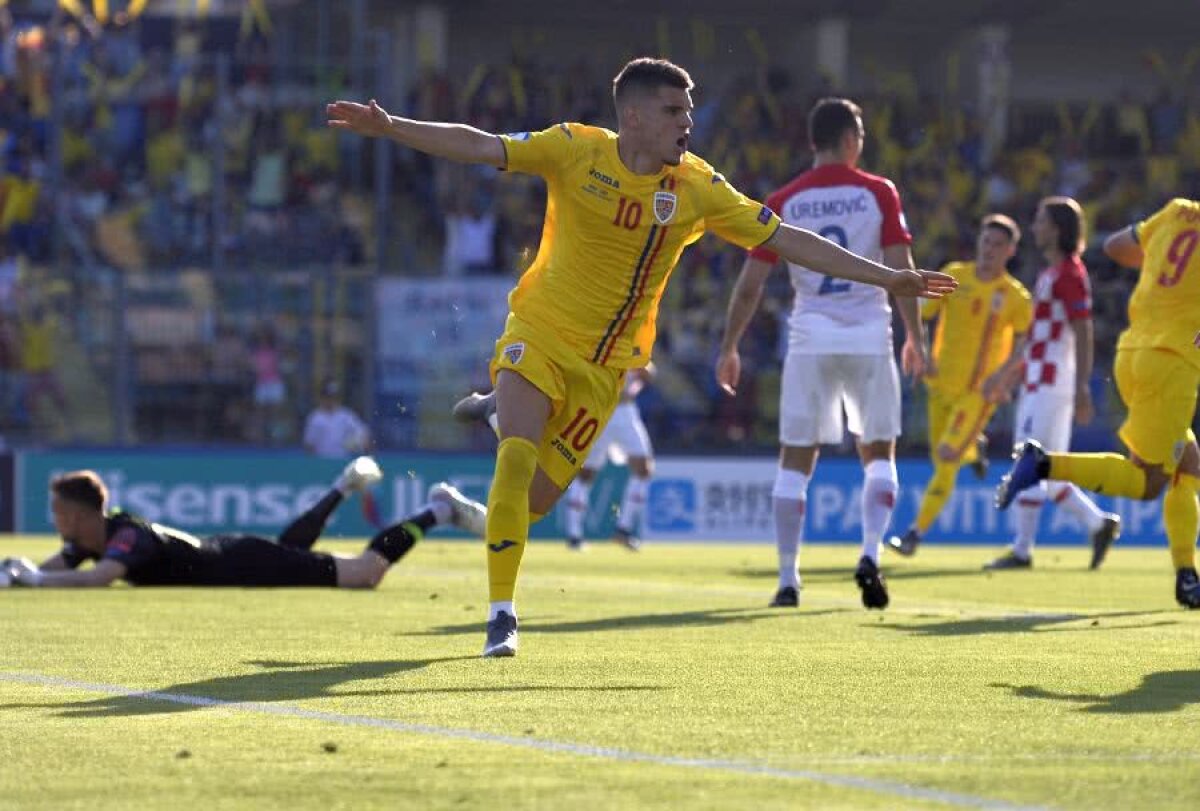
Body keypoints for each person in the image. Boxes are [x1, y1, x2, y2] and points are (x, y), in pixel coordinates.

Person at [328, 57, 956, 657]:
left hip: (605, 368)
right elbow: (482, 144)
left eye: (689, 110)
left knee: (536, 502)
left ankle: (477, 479)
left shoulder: (698, 188)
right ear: (632, 118)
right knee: (516, 461)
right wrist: (391, 127)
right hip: (540, 331)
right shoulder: (574, 148)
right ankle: (501, 614)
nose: (688, 121)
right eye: (673, 110)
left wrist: (886, 278)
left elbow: (785, 237)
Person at [714, 97, 929, 611]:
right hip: (868, 335)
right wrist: (915, 338)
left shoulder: (784, 199)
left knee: (795, 460)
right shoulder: (878, 192)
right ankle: (871, 554)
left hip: (810, 337)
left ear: (813, 141)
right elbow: (902, 270)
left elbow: (750, 286)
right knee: (879, 453)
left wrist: (730, 345)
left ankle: (788, 579)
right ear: (851, 139)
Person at [997, 197, 1200, 608]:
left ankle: (1186, 574)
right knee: (1148, 483)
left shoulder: (1178, 211)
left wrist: (1162, 267)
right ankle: (1043, 465)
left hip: (1132, 352)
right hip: (1172, 363)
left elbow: (1115, 248)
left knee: (1189, 461)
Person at [1, 458, 487, 589]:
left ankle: (439, 509)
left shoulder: (127, 536)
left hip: (242, 563)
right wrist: (17, 576)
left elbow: (99, 578)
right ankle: (341, 486)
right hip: (237, 556)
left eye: (58, 511)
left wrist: (37, 580)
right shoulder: (88, 540)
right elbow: (49, 569)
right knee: (290, 550)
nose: (54, 519)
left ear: (81, 514)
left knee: (366, 573)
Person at [885, 215, 1033, 562]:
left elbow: (1026, 341)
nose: (989, 249)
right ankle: (975, 449)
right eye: (986, 241)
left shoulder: (1014, 296)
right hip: (940, 385)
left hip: (979, 394)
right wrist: (921, 350)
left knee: (947, 459)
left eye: (998, 244)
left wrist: (1004, 376)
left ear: (1010, 251)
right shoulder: (956, 275)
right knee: (942, 455)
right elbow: (922, 313)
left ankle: (913, 534)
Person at [988, 197, 1120, 569]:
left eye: (1041, 221)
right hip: (1039, 379)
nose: (1035, 227)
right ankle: (1098, 524)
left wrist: (1080, 386)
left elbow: (1082, 330)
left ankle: (1022, 550)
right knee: (1049, 469)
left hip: (1051, 382)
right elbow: (1035, 338)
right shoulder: (1051, 274)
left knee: (1028, 460)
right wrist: (1006, 374)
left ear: (1058, 229)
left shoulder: (1069, 274)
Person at [563, 364, 656, 551]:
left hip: (624, 412)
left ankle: (623, 530)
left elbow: (648, 372)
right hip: (599, 410)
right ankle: (574, 535)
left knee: (643, 469)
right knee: (585, 473)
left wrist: (636, 384)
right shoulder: (596, 343)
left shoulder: (632, 342)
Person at [303, 379, 371, 459]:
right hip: (321, 462)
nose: (330, 400)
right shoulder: (315, 417)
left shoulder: (346, 415)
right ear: (322, 397)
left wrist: (358, 443)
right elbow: (308, 445)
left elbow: (364, 435)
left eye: (333, 397)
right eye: (327, 397)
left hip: (341, 462)